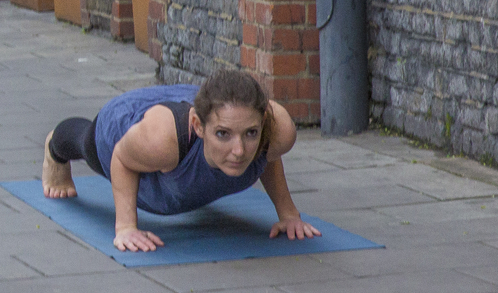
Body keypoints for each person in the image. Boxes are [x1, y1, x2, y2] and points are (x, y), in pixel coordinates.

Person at [42, 69, 319, 252]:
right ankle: (54, 147)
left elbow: (268, 156)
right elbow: (122, 160)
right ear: (199, 126)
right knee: (85, 142)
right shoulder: (163, 139)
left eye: (250, 134)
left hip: (194, 112)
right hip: (127, 127)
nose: (239, 150)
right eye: (223, 134)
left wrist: (289, 215)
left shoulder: (277, 130)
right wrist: (126, 227)